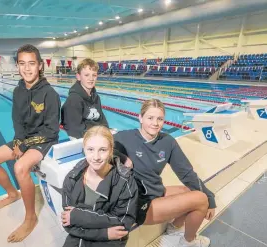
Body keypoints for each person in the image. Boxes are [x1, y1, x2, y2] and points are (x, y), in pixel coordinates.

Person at [0, 44, 60, 243]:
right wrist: (18, 141)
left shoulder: (50, 94)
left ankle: (30, 217)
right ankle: (12, 193)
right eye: (22, 64)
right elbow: (17, 121)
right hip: (23, 139)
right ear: (17, 66)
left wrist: (24, 147)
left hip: (45, 140)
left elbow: (51, 131)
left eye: (32, 63)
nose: (27, 68)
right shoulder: (18, 91)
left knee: (20, 168)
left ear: (40, 66)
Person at [114, 99, 216, 247]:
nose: (155, 123)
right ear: (140, 118)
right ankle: (189, 241)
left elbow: (187, 174)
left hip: (155, 192)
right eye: (150, 118)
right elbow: (94, 148)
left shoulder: (167, 141)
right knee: (200, 200)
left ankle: (173, 229)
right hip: (138, 203)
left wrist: (210, 197)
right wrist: (123, 158)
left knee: (191, 190)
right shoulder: (124, 138)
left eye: (160, 119)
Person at [61, 126, 138, 247]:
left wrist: (79, 216)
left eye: (102, 150)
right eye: (90, 149)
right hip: (81, 238)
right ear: (84, 150)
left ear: (111, 150)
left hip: (111, 242)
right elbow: (68, 224)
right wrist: (104, 233)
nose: (96, 157)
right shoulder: (72, 179)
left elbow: (123, 223)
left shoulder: (125, 182)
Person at [61, 58, 108, 139]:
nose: (91, 78)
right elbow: (74, 129)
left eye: (94, 75)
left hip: (94, 135)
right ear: (78, 77)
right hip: (79, 139)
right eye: (86, 75)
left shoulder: (96, 98)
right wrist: (98, 134)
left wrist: (106, 132)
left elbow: (103, 121)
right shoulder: (74, 99)